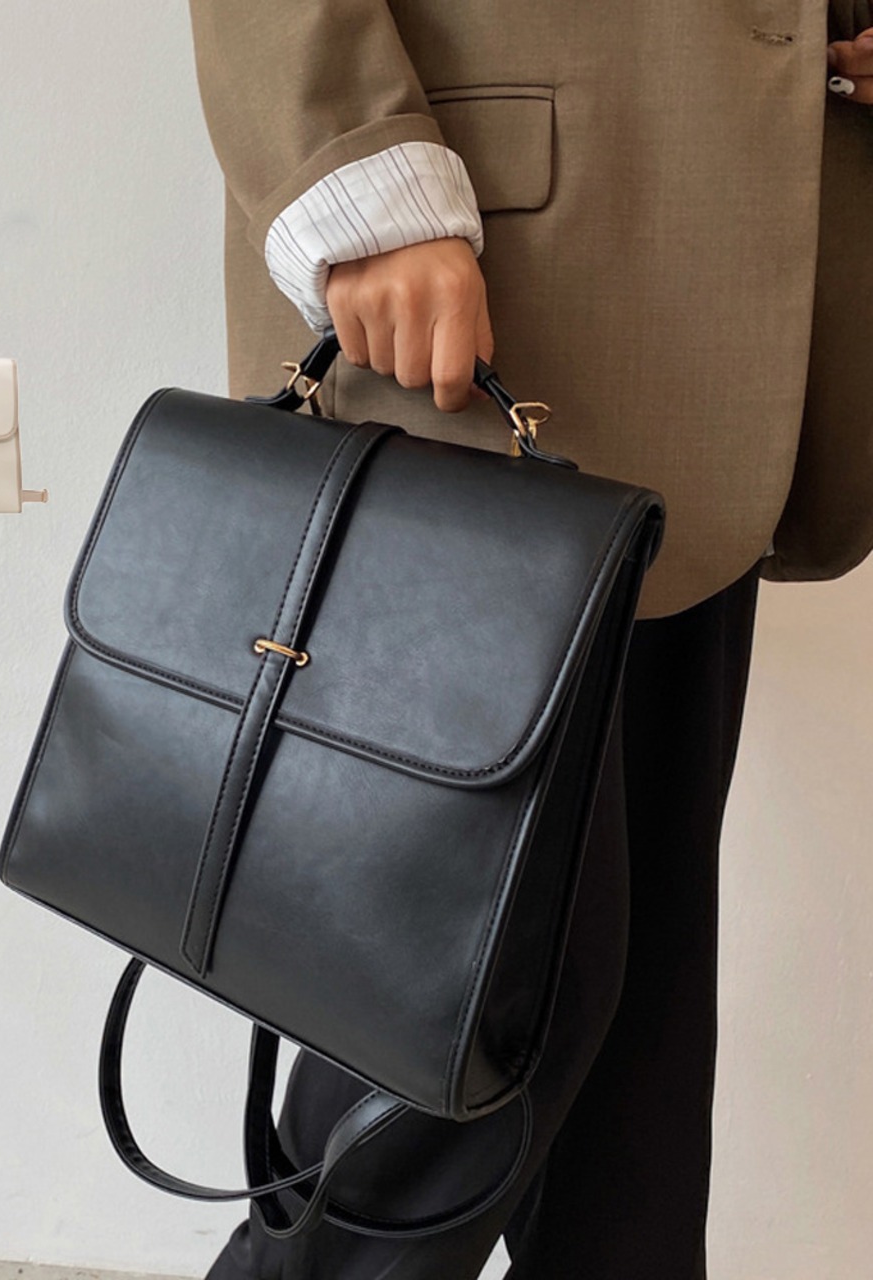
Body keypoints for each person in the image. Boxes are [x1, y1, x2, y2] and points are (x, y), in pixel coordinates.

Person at [183, 3, 873, 1277]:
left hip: (720, 302)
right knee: (472, 995)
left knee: (636, 1045)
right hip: (466, 278)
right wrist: (346, 156)